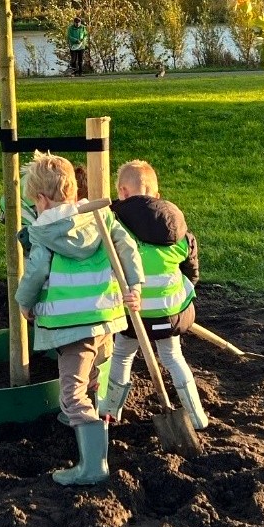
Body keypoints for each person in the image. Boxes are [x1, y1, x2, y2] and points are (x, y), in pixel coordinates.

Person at [14, 152, 143, 487]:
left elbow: (35, 273)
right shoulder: (99, 218)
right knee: (93, 379)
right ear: (72, 192)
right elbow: (126, 247)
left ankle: (92, 465)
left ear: (41, 199)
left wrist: (23, 303)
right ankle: (90, 425)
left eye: (35, 202)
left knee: (72, 391)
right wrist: (135, 285)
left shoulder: (44, 234)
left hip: (71, 325)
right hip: (105, 317)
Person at [97, 160, 206, 429]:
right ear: (156, 195)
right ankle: (196, 415)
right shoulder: (179, 230)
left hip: (134, 313)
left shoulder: (116, 226)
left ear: (122, 191)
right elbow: (191, 272)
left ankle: (111, 411)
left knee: (122, 355)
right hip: (172, 312)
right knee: (173, 357)